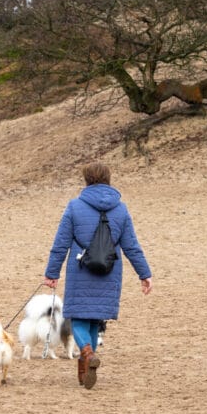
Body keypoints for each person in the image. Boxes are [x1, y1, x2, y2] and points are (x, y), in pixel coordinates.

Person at [43, 162, 153, 390]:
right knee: (95, 320)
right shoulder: (121, 209)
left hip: (81, 269)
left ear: (86, 180)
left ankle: (87, 353)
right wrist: (145, 274)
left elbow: (60, 244)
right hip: (109, 272)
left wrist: (51, 273)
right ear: (108, 179)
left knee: (79, 320)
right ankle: (84, 373)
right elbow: (131, 246)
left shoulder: (74, 207)